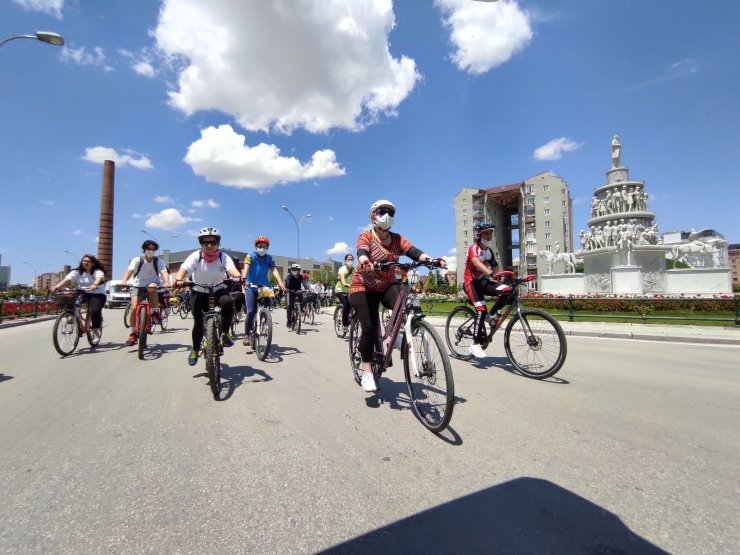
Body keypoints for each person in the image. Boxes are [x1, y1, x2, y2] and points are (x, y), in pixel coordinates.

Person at [350, 199, 446, 393]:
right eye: (382, 211)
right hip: (363, 288)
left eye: (390, 213)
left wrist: (432, 260)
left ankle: (398, 335)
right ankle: (367, 369)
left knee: (405, 302)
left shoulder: (397, 239)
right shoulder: (366, 236)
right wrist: (365, 261)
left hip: (386, 285)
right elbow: (362, 251)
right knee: (368, 328)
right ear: (373, 216)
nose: (386, 216)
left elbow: (414, 251)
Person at [174, 227, 242, 366]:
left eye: (213, 242)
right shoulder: (196, 256)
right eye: (206, 243)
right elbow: (185, 268)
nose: (209, 245)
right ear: (201, 244)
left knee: (228, 303)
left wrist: (237, 276)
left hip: (217, 288)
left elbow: (231, 269)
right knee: (198, 322)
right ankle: (195, 349)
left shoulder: (223, 257)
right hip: (199, 290)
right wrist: (179, 279)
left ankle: (225, 334)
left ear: (218, 244)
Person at [463, 222, 503, 358]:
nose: (490, 235)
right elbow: (476, 263)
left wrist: (502, 278)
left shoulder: (488, 251)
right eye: (486, 232)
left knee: (507, 291)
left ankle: (491, 318)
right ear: (479, 235)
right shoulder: (473, 248)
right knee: (481, 309)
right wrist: (491, 274)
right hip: (472, 283)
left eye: (491, 232)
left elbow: (496, 267)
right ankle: (475, 344)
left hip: (484, 282)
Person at [121, 240, 171, 347]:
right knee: (134, 308)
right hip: (137, 284)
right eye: (149, 249)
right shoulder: (138, 260)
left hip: (152, 282)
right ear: (144, 249)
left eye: (153, 249)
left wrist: (167, 281)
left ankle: (154, 311)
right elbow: (130, 271)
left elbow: (163, 272)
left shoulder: (158, 261)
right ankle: (133, 333)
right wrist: (124, 280)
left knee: (152, 288)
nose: (151, 251)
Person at [241, 236, 286, 347]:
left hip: (264, 287)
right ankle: (246, 335)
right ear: (256, 247)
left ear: (267, 248)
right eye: (260, 246)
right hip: (251, 287)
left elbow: (274, 270)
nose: (262, 248)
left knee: (267, 308)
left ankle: (264, 323)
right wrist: (243, 280)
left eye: (264, 246)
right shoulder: (250, 256)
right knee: (251, 311)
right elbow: (246, 268)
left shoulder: (269, 259)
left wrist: (280, 282)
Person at [51, 254, 107, 340]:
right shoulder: (77, 272)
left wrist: (95, 284)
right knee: (70, 303)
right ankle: (74, 319)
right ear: (81, 262)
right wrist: (57, 286)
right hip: (82, 292)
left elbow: (99, 278)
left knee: (95, 310)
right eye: (84, 261)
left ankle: (96, 331)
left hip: (97, 293)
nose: (86, 263)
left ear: (93, 263)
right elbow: (68, 280)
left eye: (88, 261)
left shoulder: (97, 271)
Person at [335, 253, 355, 333]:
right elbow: (342, 277)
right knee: (346, 305)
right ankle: (345, 325)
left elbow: (357, 278)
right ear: (345, 260)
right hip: (340, 290)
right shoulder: (342, 269)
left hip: (350, 290)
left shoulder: (354, 270)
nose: (350, 261)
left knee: (356, 304)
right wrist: (344, 283)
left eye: (351, 259)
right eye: (348, 259)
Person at [284, 263, 307, 330]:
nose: (295, 271)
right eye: (294, 269)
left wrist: (307, 288)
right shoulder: (289, 276)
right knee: (289, 306)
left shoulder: (300, 277)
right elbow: (287, 283)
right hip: (290, 291)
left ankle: (300, 310)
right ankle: (289, 321)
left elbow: (304, 283)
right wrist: (287, 289)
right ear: (291, 270)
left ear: (299, 271)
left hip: (298, 291)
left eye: (297, 270)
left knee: (302, 297)